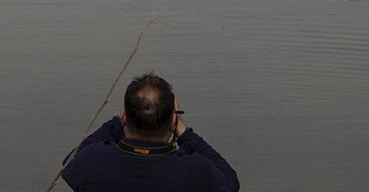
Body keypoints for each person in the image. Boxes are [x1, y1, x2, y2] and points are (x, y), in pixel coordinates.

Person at [61, 72, 240, 192]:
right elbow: (230, 181)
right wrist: (184, 133)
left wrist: (117, 122)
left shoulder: (94, 163)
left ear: (124, 117)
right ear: (172, 121)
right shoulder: (194, 171)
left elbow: (68, 163)